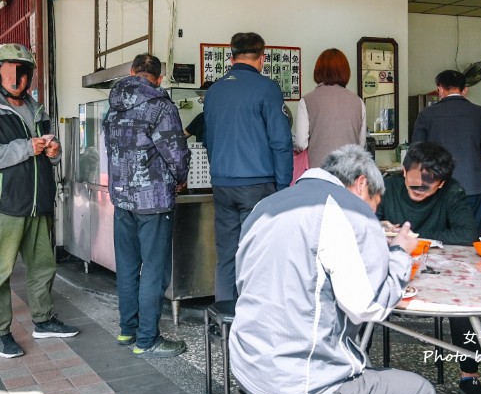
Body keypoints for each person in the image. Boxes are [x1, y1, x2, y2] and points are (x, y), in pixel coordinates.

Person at [230, 144, 435, 394]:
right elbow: (366, 305)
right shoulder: (349, 211)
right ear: (360, 185)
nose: (372, 213)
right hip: (301, 386)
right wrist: (399, 253)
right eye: (375, 204)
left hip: (249, 368)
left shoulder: (267, 205)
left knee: (307, 346)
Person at [0, 43, 78, 359]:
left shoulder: (38, 109)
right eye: (9, 70)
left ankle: (43, 320)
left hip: (38, 203)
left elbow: (47, 152)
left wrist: (54, 152)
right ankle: (0, 334)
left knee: (43, 266)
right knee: (0, 273)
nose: (17, 77)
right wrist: (26, 148)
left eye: (23, 70)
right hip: (3, 204)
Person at [377, 141, 481, 394]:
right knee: (363, 295)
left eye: (427, 186)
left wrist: (419, 240)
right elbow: (366, 223)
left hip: (440, 266)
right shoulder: (388, 186)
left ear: (440, 184)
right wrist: (379, 225)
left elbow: (467, 234)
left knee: (462, 303)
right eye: (414, 182)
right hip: (394, 263)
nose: (418, 190)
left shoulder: (452, 191)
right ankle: (359, 371)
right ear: (404, 172)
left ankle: (469, 377)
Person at [103, 54, 191, 358]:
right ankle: (147, 339)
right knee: (154, 269)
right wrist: (180, 179)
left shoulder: (112, 105)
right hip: (153, 200)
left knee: (127, 268)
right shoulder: (160, 106)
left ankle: (128, 330)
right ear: (160, 77)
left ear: (131, 72)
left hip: (121, 198)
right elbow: (176, 153)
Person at [203, 32, 293, 301]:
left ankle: (225, 316)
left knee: (227, 253)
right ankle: (255, 319)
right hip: (258, 185)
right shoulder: (267, 88)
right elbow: (280, 141)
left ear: (231, 57)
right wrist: (283, 185)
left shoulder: (214, 90)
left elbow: (209, 138)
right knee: (257, 253)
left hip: (222, 183)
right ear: (262, 58)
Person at [412, 69, 481, 233]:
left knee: (437, 238)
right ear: (465, 90)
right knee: (471, 238)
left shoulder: (426, 114)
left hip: (436, 186)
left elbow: (416, 151)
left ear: (440, 89)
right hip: (473, 186)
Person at [293, 48, 367, 169]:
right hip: (349, 174)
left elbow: (301, 143)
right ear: (345, 71)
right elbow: (361, 144)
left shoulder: (306, 100)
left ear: (318, 71)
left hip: (319, 174)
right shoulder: (358, 102)